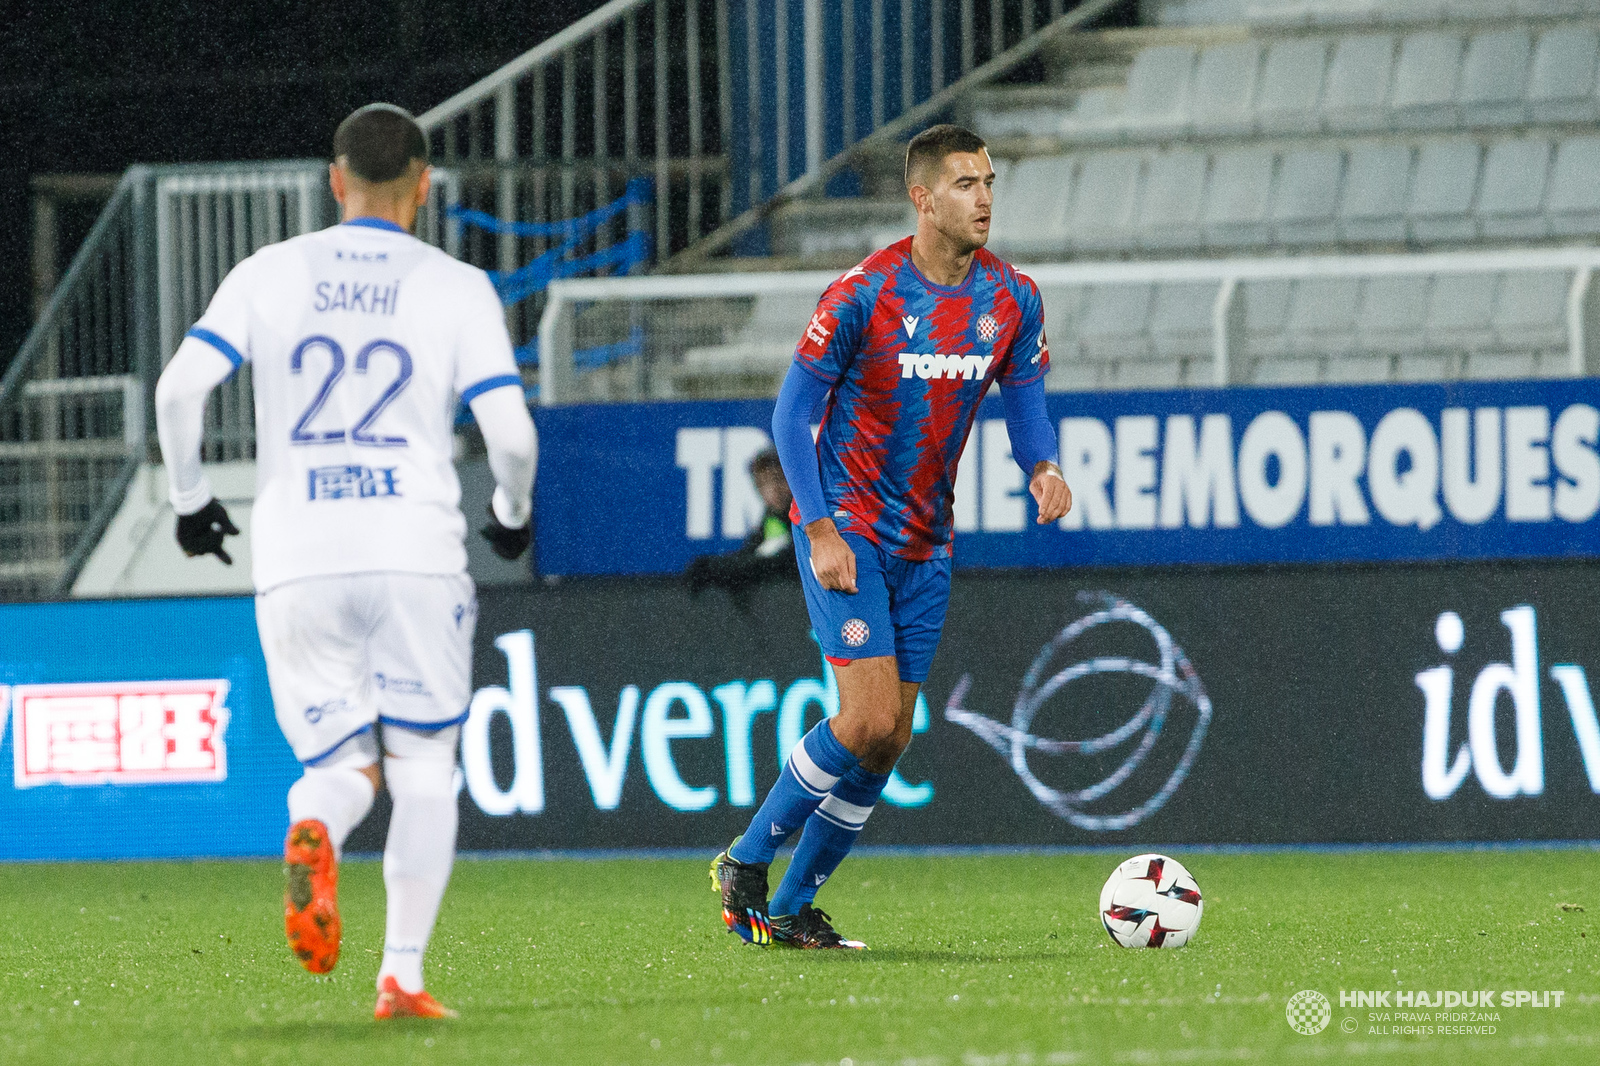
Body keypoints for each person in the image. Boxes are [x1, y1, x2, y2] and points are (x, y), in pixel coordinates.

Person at [153, 103, 537, 1018]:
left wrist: (190, 501)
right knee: (420, 769)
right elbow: (512, 437)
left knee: (340, 764)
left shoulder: (269, 272)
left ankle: (315, 825)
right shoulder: (455, 286)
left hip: (298, 554)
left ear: (335, 180)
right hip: (413, 551)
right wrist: (510, 514)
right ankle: (400, 974)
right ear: (425, 185)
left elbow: (180, 387)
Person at [712, 124, 1072, 949]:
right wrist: (819, 526)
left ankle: (791, 906)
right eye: (964, 184)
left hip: (927, 543)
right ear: (922, 199)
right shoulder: (865, 296)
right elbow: (790, 414)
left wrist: (1042, 466)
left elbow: (1024, 396)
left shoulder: (1011, 298)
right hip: (851, 532)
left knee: (891, 740)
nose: (983, 198)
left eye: (988, 182)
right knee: (869, 719)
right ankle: (745, 858)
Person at [684, 448, 795, 601]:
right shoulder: (771, 519)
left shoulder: (808, 517)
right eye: (764, 484)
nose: (774, 489)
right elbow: (751, 555)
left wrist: (732, 569)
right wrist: (711, 567)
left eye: (779, 479)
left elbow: (785, 561)